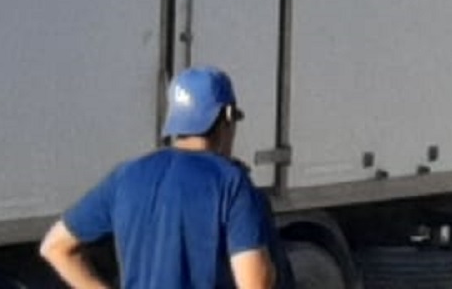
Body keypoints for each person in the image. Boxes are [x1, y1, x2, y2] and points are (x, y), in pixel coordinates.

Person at [41, 66, 284, 289]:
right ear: (227, 116)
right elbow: (255, 284)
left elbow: (55, 247)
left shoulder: (126, 176)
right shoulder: (231, 183)